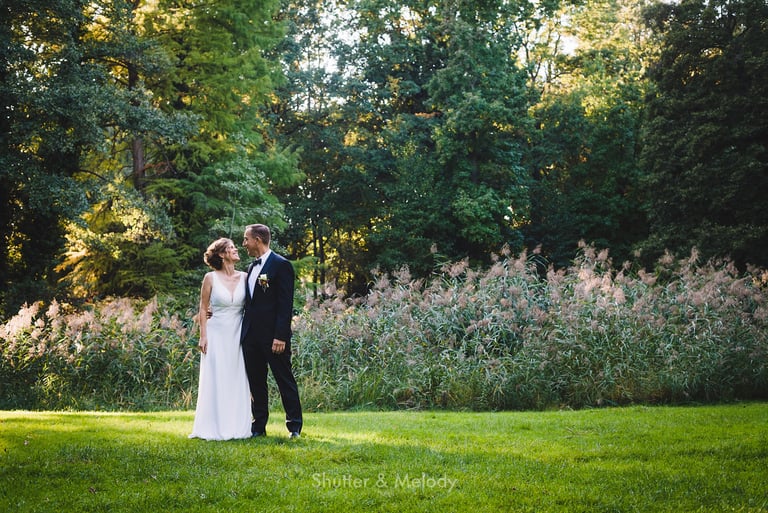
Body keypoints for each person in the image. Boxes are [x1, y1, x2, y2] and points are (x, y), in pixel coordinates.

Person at [241, 224, 303, 438]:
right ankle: (258, 427)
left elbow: (285, 304)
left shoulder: (281, 265)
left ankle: (294, 426)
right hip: (250, 337)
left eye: (246, 239)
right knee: (256, 383)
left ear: (258, 239)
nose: (244, 244)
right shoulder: (250, 268)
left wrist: (280, 336)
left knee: (284, 379)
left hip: (274, 337)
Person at [189, 238, 252, 440]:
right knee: (216, 377)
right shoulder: (210, 278)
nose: (236, 250)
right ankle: (212, 426)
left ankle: (238, 427)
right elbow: (203, 307)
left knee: (236, 376)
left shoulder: (245, 277)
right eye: (231, 248)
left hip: (238, 334)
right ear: (222, 254)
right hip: (216, 334)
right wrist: (203, 335)